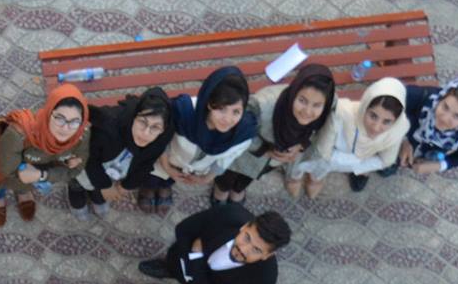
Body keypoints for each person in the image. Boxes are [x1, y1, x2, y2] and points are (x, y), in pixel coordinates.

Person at [137, 205, 289, 284]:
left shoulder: (263, 283)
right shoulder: (229, 214)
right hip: (181, 259)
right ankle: (169, 269)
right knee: (173, 262)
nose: (242, 249)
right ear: (244, 226)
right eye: (247, 238)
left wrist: (196, 257)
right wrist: (186, 261)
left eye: (256, 249)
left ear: (267, 255)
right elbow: (183, 230)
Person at [214, 65, 334, 200]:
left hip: (268, 161)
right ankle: (221, 191)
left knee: (247, 178)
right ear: (294, 92)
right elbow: (236, 128)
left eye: (316, 105)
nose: (307, 112)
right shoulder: (262, 105)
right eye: (302, 101)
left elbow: (319, 129)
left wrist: (301, 144)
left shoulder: (329, 105)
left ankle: (238, 190)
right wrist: (264, 150)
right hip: (243, 153)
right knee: (227, 176)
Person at [0, 84, 89, 226]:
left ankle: (23, 192)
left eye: (75, 121)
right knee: (0, 178)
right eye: (59, 118)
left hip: (35, 174)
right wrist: (50, 171)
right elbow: (8, 169)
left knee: (27, 181)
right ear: (49, 112)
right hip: (8, 170)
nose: (65, 128)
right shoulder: (19, 134)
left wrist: (41, 175)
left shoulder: (82, 134)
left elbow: (74, 171)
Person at [292, 78, 409, 197]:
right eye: (373, 116)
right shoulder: (342, 113)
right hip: (331, 154)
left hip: (357, 159)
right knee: (310, 160)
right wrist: (354, 162)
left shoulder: (398, 128)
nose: (376, 127)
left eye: (387, 121)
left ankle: (317, 178)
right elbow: (323, 151)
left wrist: (357, 165)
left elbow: (386, 160)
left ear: (396, 121)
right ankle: (310, 178)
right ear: (364, 107)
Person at [156, 66, 257, 199]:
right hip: (166, 160)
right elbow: (162, 137)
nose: (227, 119)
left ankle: (165, 184)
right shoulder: (183, 111)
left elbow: (229, 156)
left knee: (169, 179)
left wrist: (208, 177)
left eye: (236, 112)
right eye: (221, 109)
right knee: (155, 180)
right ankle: (158, 185)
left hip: (197, 169)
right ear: (209, 103)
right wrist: (166, 166)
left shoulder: (244, 132)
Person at [74, 87, 175, 216]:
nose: (145, 133)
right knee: (79, 181)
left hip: (116, 170)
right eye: (142, 122)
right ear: (134, 117)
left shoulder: (162, 138)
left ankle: (96, 197)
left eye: (155, 127)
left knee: (99, 195)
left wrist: (125, 186)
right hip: (87, 165)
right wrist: (105, 185)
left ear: (163, 129)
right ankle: (75, 192)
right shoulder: (107, 128)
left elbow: (145, 165)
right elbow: (89, 158)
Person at [375, 75, 458, 185]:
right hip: (406, 133)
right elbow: (393, 101)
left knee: (403, 160)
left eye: (457, 116)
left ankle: (397, 162)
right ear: (441, 97)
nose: (444, 118)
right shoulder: (423, 96)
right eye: (445, 107)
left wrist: (438, 165)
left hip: (428, 153)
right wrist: (403, 139)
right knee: (389, 153)